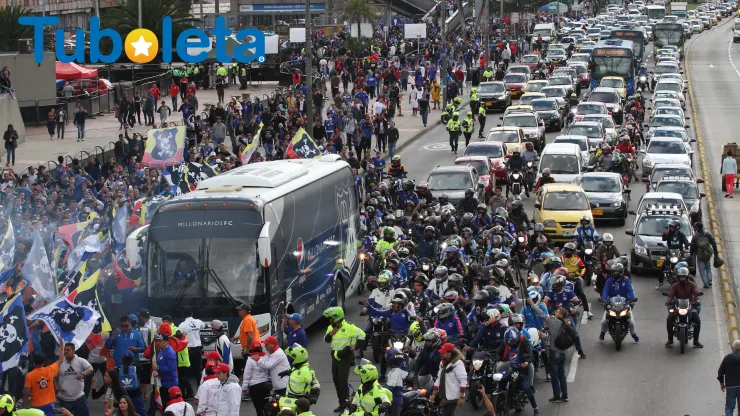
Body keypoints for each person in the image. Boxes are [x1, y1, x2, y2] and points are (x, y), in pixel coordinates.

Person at [323, 306, 365, 413]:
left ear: (337, 317)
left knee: (343, 383)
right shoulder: (330, 328)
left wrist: (355, 347)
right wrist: (330, 334)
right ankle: (341, 404)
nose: (330, 320)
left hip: (344, 359)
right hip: (335, 359)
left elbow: (362, 334)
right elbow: (326, 340)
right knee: (336, 382)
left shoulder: (349, 327)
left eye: (331, 318)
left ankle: (347, 406)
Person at [497, 327, 539, 415]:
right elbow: (498, 353)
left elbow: (530, 355)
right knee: (499, 383)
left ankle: (535, 408)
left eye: (512, 343)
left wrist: (526, 362)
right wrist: (498, 360)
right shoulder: (506, 341)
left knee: (526, 387)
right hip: (508, 367)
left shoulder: (524, 341)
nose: (510, 345)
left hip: (522, 368)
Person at [599, 262, 639, 342]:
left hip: (624, 303)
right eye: (613, 271)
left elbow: (630, 290)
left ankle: (633, 333)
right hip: (611, 304)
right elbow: (605, 291)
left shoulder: (626, 280)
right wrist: (603, 300)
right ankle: (602, 332)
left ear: (621, 272)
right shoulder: (609, 281)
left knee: (631, 322)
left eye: (616, 272)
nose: (614, 273)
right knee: (604, 321)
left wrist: (632, 299)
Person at [665, 267, 703, 348]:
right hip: (677, 305)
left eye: (684, 277)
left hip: (689, 305)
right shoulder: (675, 285)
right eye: (681, 277)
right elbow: (671, 295)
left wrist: (697, 300)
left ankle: (696, 341)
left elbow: (696, 294)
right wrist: (669, 300)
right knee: (669, 319)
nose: (682, 278)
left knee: (697, 320)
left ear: (687, 277)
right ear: (678, 277)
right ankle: (670, 339)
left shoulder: (692, 284)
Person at [23, 343, 64, 416]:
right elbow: (61, 360)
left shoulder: (29, 376)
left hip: (36, 406)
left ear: (33, 362)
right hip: (49, 404)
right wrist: (62, 346)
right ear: (44, 362)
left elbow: (26, 394)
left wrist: (23, 407)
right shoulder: (50, 370)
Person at [430, 343, 467, 416]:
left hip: (452, 397)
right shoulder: (442, 363)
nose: (441, 354)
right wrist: (434, 394)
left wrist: (461, 397)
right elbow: (438, 378)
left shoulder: (458, 364)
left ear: (449, 353)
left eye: (443, 352)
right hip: (442, 395)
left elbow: (463, 380)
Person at [57, 342, 93, 416]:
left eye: (68, 350)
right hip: (64, 398)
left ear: (73, 351)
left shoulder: (80, 360)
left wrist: (83, 374)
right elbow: (53, 376)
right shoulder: (60, 362)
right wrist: (56, 385)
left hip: (79, 397)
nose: (66, 351)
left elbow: (91, 369)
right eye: (65, 350)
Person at [280, 345, 320, 411]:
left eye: (293, 357)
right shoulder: (296, 367)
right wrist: (286, 372)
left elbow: (316, 384)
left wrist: (314, 396)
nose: (291, 358)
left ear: (298, 358)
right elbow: (294, 372)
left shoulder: (307, 371)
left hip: (301, 401)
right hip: (289, 398)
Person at [659, 220, 690, 289]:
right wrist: (664, 233)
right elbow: (664, 239)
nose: (671, 228)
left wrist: (687, 247)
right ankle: (660, 282)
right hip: (670, 253)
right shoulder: (669, 234)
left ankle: (688, 280)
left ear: (677, 227)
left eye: (672, 227)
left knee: (685, 265)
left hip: (679, 254)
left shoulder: (681, 235)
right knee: (662, 266)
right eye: (670, 227)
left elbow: (686, 242)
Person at [178, 307, 204, 390]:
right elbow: (203, 326)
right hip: (198, 349)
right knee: (198, 370)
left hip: (188, 350)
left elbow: (179, 335)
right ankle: (200, 389)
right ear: (192, 313)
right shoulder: (198, 322)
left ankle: (189, 391)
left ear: (183, 314)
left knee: (185, 371)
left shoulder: (182, 325)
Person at [152, 333, 179, 406]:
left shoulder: (169, 352)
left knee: (169, 405)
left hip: (170, 384)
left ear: (165, 341)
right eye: (157, 341)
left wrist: (158, 368)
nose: (158, 343)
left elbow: (172, 368)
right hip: (163, 383)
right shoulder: (162, 350)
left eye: (160, 341)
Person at [691, 221, 719, 288]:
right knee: (708, 268)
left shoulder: (695, 236)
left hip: (700, 255)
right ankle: (710, 281)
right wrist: (716, 252)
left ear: (697, 228)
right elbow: (713, 243)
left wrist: (692, 254)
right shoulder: (707, 234)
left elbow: (692, 247)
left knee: (702, 270)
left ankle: (706, 283)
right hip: (707, 254)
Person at [718, 340, 740, 416]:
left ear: (732, 348)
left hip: (731, 387)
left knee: (729, 408)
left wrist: (722, 383)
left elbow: (720, 372)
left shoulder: (727, 358)